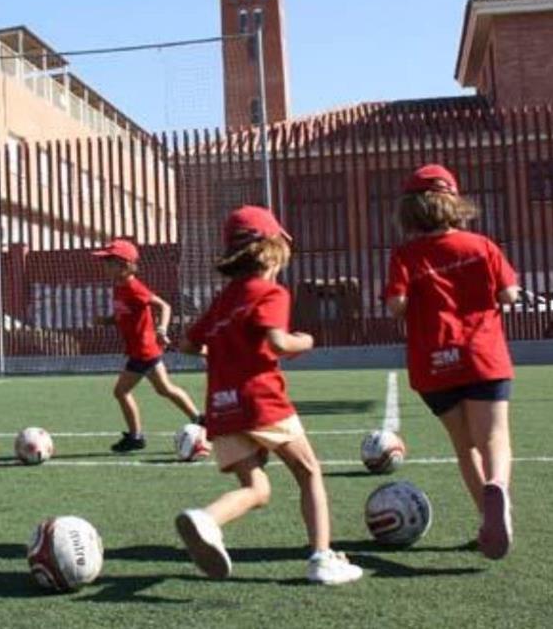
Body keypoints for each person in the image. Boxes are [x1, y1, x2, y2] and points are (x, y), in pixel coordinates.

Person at [175, 206, 362, 585]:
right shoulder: (270, 292)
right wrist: (303, 341)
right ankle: (323, 558)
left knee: (256, 488)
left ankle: (207, 518)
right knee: (308, 471)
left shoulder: (223, 299)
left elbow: (187, 345)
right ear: (272, 250)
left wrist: (225, 349)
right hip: (262, 400)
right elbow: (277, 342)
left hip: (222, 408)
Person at [384, 163, 518, 559]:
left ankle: (487, 517)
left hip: (434, 363)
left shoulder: (405, 254)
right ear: (453, 202)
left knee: (464, 445)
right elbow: (509, 295)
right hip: (483, 355)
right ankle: (498, 489)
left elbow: (395, 306)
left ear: (410, 210)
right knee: (493, 438)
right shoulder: (483, 246)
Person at [92, 238, 203, 452]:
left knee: (121, 392)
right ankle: (199, 419)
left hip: (143, 351)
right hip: (144, 349)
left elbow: (164, 306)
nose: (104, 266)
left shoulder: (134, 287)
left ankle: (136, 437)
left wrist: (161, 329)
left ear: (124, 266)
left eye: (108, 262)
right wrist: (105, 321)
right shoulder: (119, 287)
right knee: (165, 389)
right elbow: (122, 315)